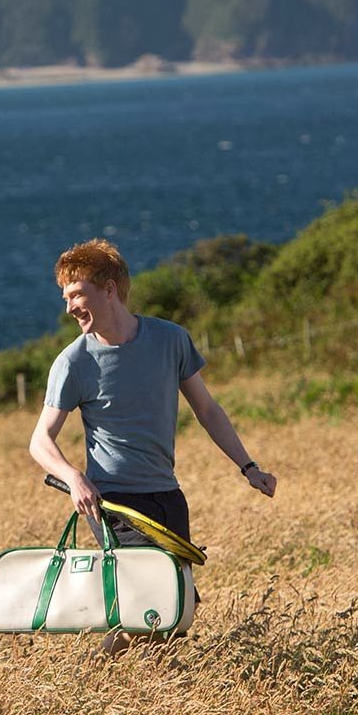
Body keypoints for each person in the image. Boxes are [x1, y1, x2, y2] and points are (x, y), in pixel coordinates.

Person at [29, 238, 276, 654]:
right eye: (65, 297)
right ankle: (102, 677)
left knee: (176, 615)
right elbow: (40, 441)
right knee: (157, 604)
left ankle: (109, 673)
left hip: (167, 495)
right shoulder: (73, 362)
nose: (69, 307)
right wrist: (73, 478)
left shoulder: (171, 339)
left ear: (109, 289)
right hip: (115, 502)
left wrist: (248, 466)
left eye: (76, 294)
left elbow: (208, 410)